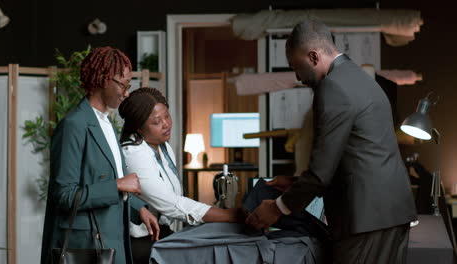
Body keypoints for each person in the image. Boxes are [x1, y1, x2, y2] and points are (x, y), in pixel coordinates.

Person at [246, 20, 417, 263]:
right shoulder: (359, 77)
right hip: (391, 212)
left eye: (297, 66)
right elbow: (353, 156)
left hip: (365, 219)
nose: (297, 76)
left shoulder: (333, 87)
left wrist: (276, 208)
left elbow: (321, 173)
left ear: (314, 57)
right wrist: (295, 183)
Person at [41, 47, 159, 264]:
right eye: (123, 85)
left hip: (111, 240)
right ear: (103, 79)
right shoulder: (73, 125)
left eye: (128, 86)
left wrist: (139, 209)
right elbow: (64, 195)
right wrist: (116, 185)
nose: (126, 93)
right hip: (85, 247)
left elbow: (107, 182)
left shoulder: (105, 123)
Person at [118, 87, 243, 263]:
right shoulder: (133, 154)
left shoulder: (164, 147)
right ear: (138, 127)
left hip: (162, 233)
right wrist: (230, 215)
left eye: (167, 116)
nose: (166, 124)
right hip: (139, 243)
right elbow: (171, 204)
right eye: (156, 121)